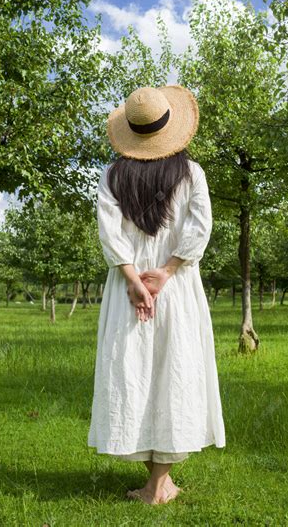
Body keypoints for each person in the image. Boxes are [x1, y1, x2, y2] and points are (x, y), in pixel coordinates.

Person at [87, 84, 226, 505]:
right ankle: (159, 484)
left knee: (138, 373)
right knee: (173, 372)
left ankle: (156, 483)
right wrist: (164, 274)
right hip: (176, 286)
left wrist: (133, 278)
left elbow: (110, 233)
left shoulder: (113, 175)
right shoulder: (191, 173)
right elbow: (198, 229)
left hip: (129, 288)